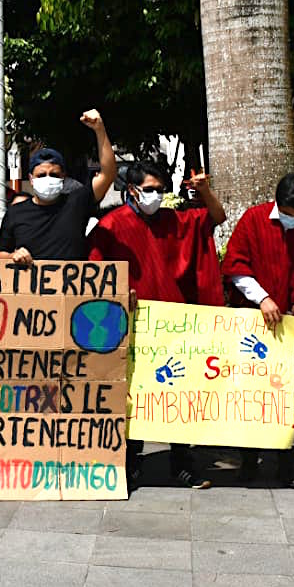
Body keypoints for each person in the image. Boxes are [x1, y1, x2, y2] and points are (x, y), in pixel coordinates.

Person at [88, 160, 226, 489]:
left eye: (159, 190)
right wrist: (119, 293)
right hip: (131, 326)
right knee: (135, 396)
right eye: (149, 190)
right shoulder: (111, 225)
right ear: (132, 191)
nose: (155, 196)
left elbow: (215, 218)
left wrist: (205, 191)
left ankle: (182, 462)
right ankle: (131, 462)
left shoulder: (174, 220)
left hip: (173, 326)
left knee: (178, 394)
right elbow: (94, 271)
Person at [222, 172, 294, 488]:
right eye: (287, 213)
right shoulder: (253, 219)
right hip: (255, 325)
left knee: (289, 395)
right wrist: (263, 298)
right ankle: (249, 461)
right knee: (252, 393)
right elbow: (235, 266)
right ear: (278, 203)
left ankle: (287, 464)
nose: (293, 219)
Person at [0, 109, 116, 263]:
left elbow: (108, 173)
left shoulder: (77, 202)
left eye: (54, 175)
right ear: (31, 179)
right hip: (32, 286)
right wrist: (14, 256)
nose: (48, 179)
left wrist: (99, 129)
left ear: (63, 177)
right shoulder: (15, 213)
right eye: (41, 175)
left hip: (73, 285)